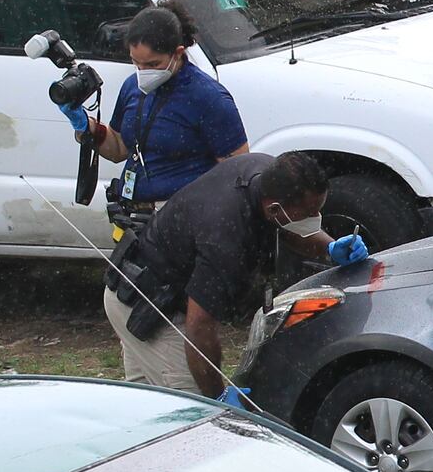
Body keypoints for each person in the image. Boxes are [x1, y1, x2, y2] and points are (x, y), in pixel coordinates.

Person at [104, 150, 369, 401]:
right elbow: (200, 326)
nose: (316, 218)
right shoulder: (226, 238)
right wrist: (217, 396)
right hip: (148, 307)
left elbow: (288, 226)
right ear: (275, 208)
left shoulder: (266, 175)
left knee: (147, 410)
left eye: (318, 209)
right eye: (310, 213)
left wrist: (329, 247)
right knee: (193, 414)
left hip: (138, 284)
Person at [54, 0, 248, 212]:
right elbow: (119, 148)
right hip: (134, 216)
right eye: (136, 63)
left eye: (153, 64)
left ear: (178, 52)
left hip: (184, 219)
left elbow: (237, 174)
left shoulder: (209, 98)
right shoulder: (131, 87)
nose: (143, 71)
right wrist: (85, 127)